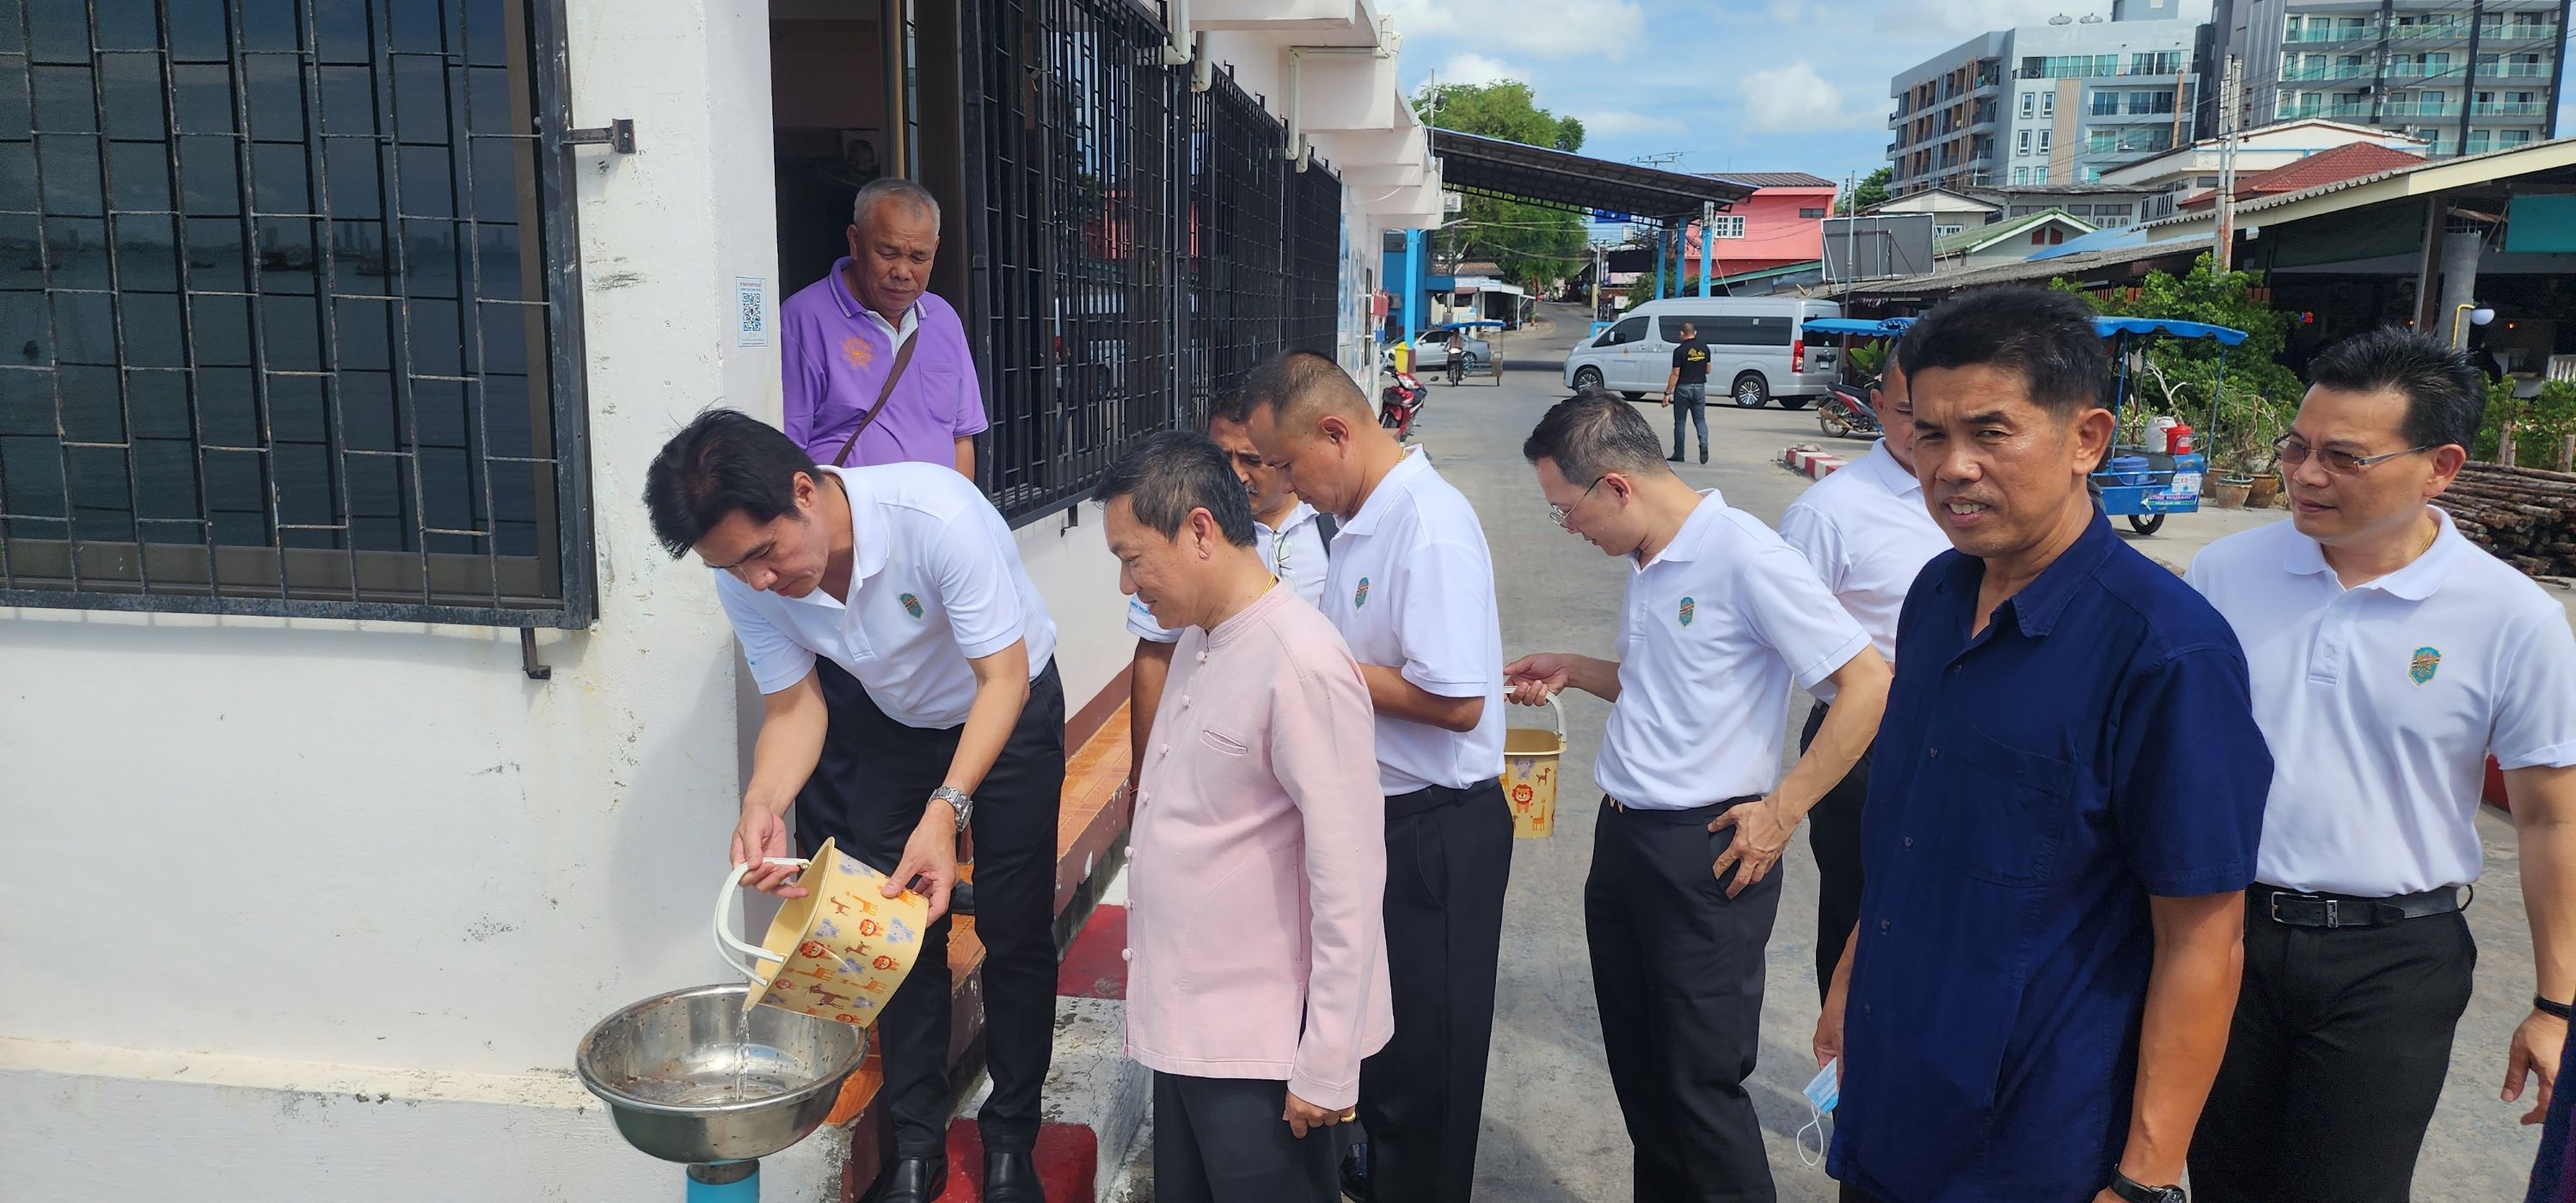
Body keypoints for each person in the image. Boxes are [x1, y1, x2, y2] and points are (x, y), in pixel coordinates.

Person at [1814, 286, 2274, 1203]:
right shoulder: (1939, 597)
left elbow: (2202, 938)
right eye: (1929, 434)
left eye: (1990, 432)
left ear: (2086, 439)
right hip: (1891, 1094)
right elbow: (1915, 832)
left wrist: (2142, 1180)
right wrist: (1851, 973)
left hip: (2031, 1140)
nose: (1951, 467)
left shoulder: (2163, 651)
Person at [2182, 328, 2574, 1203]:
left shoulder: (2509, 616)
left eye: (2343, 458)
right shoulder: (2222, 573)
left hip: (2393, 957)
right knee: (2221, 1179)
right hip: (2224, 935)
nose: (2304, 474)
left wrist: (2554, 1005)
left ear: (2438, 465)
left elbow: (2551, 816)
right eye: (2296, 447)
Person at [642, 411, 1060, 1203]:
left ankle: (1011, 1139)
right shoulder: (750, 580)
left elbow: (1000, 680)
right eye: (733, 568)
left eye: (765, 553)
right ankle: (915, 1146)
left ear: (805, 490)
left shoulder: (934, 516)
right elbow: (797, 709)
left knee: (1013, 924)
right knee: (893, 934)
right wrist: (765, 800)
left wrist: (946, 811)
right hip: (897, 725)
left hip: (1007, 710)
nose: (759, 581)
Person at [1505, 393, 1891, 1201]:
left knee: (1698, 1089)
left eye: (1565, 511)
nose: (1568, 529)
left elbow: (1866, 684)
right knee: (1646, 1083)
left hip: (1706, 851)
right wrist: (1576, 669)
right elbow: (1666, 683)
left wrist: (1782, 812)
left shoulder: (1745, 554)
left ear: (1615, 486)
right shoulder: (1651, 560)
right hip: (1625, 845)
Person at [1241, 350, 1509, 1203]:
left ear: (1336, 431)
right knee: (1384, 1055)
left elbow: (1455, 699)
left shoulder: (1424, 523)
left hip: (1436, 824)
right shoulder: (1358, 523)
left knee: (1429, 1068)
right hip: (1381, 814)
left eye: (1284, 463)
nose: (1279, 482)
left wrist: (1318, 668)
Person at [1097, 432, 1393, 1203]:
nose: (1128, 584)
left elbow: (1350, 879)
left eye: (1133, 558)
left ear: (1199, 530)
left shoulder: (1300, 661)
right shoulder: (1199, 639)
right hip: (1190, 1031)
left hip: (1264, 1055)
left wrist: (1329, 1062)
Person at [1775, 354, 1947, 1000]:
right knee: (1862, 921)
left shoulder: (1977, 496)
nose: (1929, 434)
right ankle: (1848, 1092)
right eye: (1911, 415)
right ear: (1877, 404)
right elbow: (1784, 641)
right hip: (1867, 746)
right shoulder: (1830, 512)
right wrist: (1884, 678)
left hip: (1968, 742)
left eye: (1946, 418)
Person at [1128, 398, 1339, 771]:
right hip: (1214, 760)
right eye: (1221, 457)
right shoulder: (1187, 536)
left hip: (1314, 752)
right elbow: (1154, 656)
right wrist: (1142, 774)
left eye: (1252, 460)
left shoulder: (1334, 528)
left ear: (1279, 454)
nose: (1235, 474)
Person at [779, 177, 989, 476]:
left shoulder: (943, 318)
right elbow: (787, 452)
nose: (903, 272)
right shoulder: (803, 319)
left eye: (919, 256)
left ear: (936, 248)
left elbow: (961, 436)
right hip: (849, 520)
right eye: (888, 253)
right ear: (855, 242)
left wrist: (959, 514)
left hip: (932, 520)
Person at [1663, 320, 1712, 464]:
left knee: (1680, 422)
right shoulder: (1705, 348)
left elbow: (1675, 374)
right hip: (1699, 388)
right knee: (1700, 419)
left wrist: (1667, 393)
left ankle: (1679, 453)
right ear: (1695, 332)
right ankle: (1703, 443)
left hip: (1684, 388)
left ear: (1682, 334)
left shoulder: (1679, 351)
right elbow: (1708, 369)